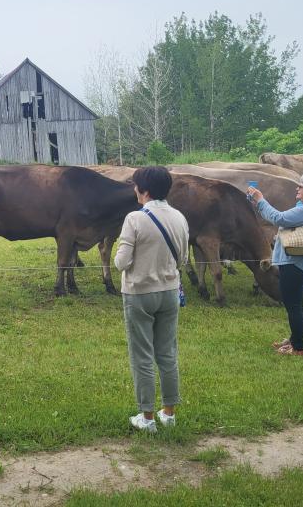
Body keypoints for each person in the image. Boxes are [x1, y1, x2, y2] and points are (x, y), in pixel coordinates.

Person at [115, 166, 189, 434]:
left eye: (136, 186)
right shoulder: (179, 217)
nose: (134, 190)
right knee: (167, 353)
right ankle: (168, 413)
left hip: (139, 293)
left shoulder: (134, 218)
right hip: (169, 291)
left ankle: (146, 417)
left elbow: (121, 262)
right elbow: (183, 259)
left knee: (142, 355)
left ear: (143, 190)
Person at [249, 169, 303, 357]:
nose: (297, 187)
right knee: (296, 304)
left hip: (295, 265)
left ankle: (298, 347)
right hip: (299, 263)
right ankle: (294, 340)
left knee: (293, 306)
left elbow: (278, 218)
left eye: (301, 185)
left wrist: (260, 199)